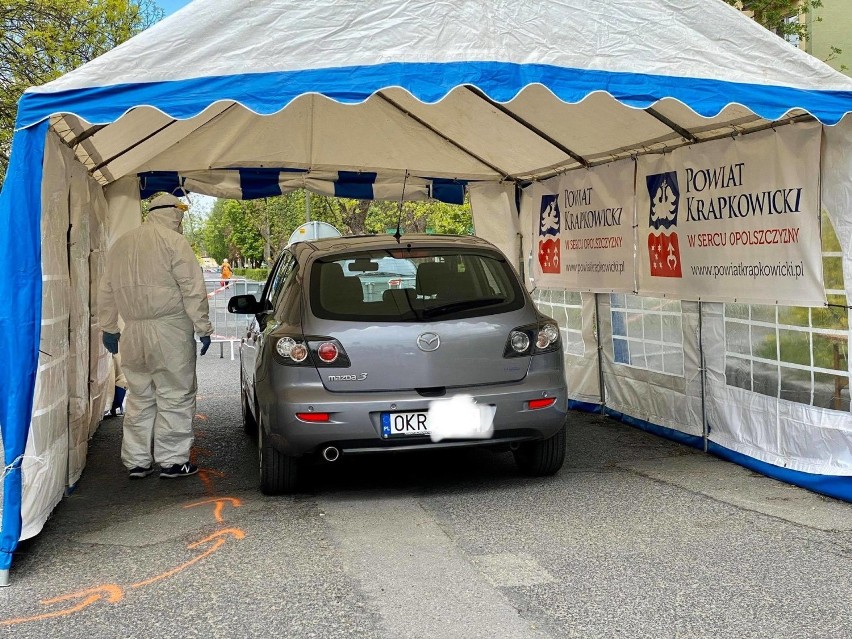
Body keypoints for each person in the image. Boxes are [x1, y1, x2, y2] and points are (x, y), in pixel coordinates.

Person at [98, 193, 213, 479]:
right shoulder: (174, 243)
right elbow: (192, 289)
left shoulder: (122, 244)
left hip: (133, 330)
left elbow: (106, 290)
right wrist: (203, 327)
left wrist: (109, 327)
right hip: (170, 329)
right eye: (181, 212)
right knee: (175, 393)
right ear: (173, 213)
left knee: (140, 395)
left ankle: (136, 461)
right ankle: (173, 461)